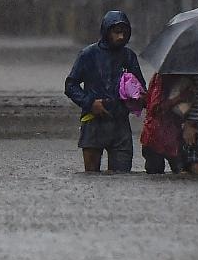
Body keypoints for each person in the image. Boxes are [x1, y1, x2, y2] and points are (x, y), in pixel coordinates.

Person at [64, 10, 146, 172]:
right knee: (91, 177)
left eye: (124, 33)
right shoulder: (88, 55)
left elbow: (141, 88)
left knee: (121, 176)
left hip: (120, 124)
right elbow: (70, 85)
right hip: (94, 121)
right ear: (106, 31)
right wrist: (90, 103)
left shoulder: (129, 56)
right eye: (116, 32)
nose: (121, 37)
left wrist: (137, 98)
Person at [140, 73, 191, 174]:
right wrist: (179, 98)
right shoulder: (160, 78)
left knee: (182, 173)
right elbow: (155, 108)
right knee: (156, 174)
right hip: (155, 136)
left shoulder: (183, 78)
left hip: (173, 136)